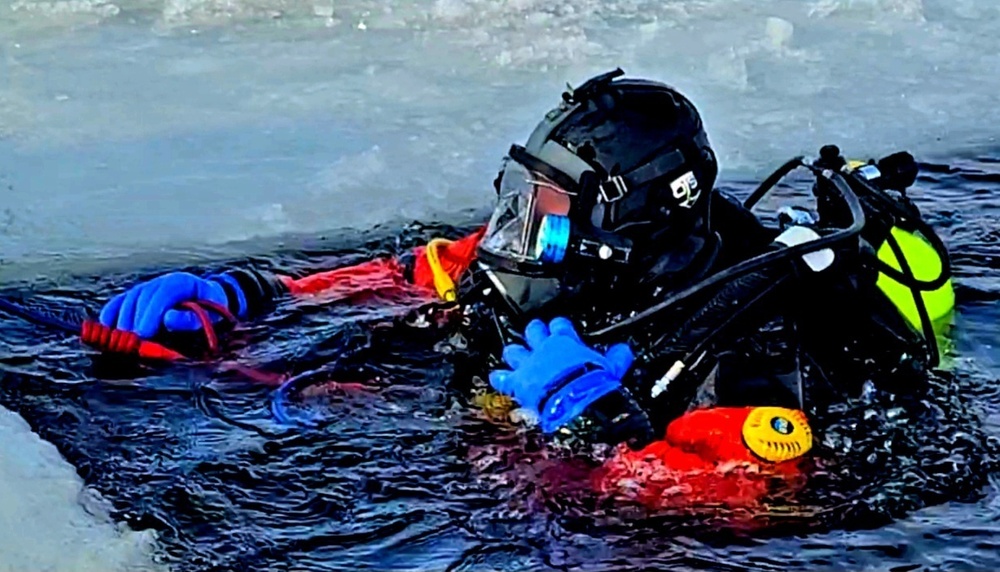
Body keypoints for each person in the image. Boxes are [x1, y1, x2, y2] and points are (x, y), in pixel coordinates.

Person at [94, 69, 955, 509]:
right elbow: (413, 275)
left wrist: (597, 422)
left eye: (547, 209)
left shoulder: (752, 337)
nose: (518, 232)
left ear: (631, 220)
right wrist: (253, 294)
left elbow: (748, 501)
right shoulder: (557, 256)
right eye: (523, 200)